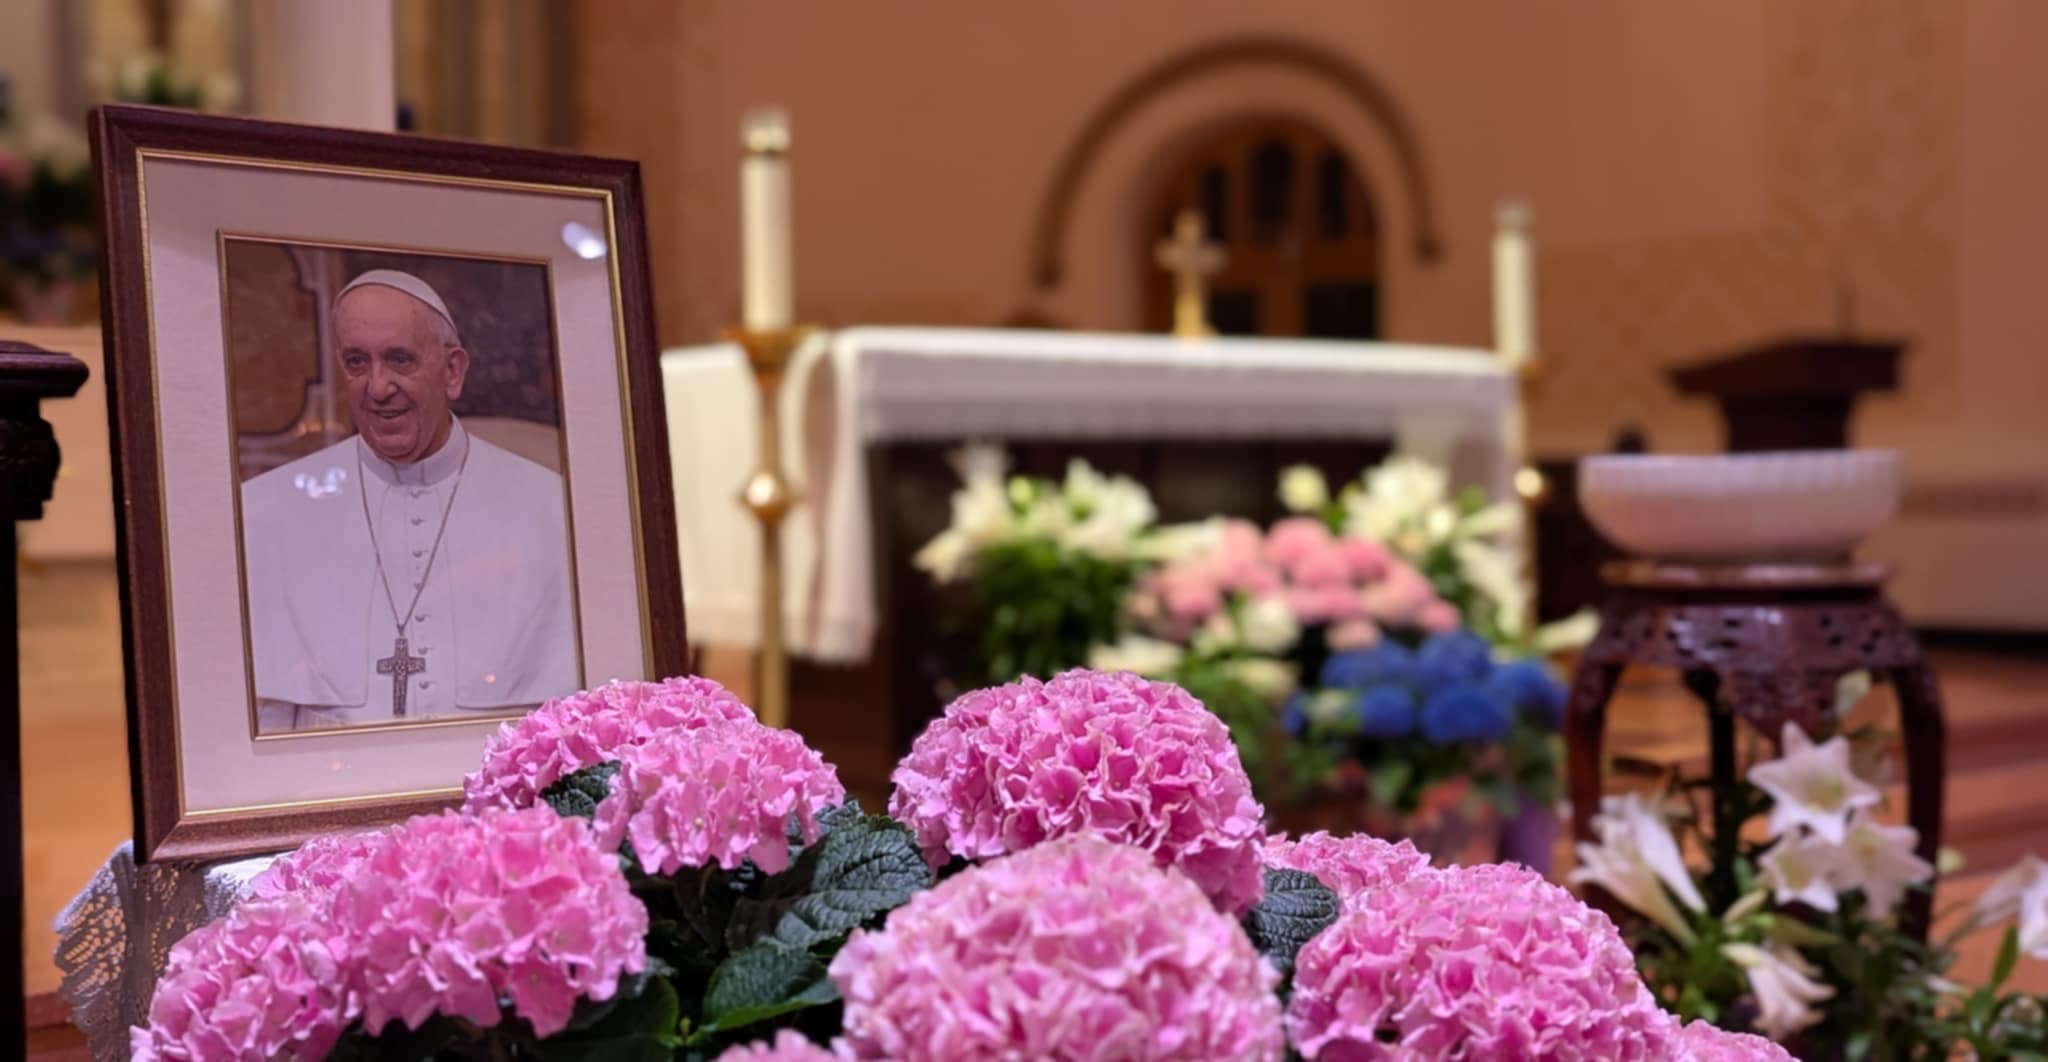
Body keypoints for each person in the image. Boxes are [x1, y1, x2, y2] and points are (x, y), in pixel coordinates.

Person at [241, 269, 578, 732]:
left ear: (453, 371)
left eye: (399, 360)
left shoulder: (552, 509)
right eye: (357, 362)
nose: (378, 387)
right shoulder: (266, 512)